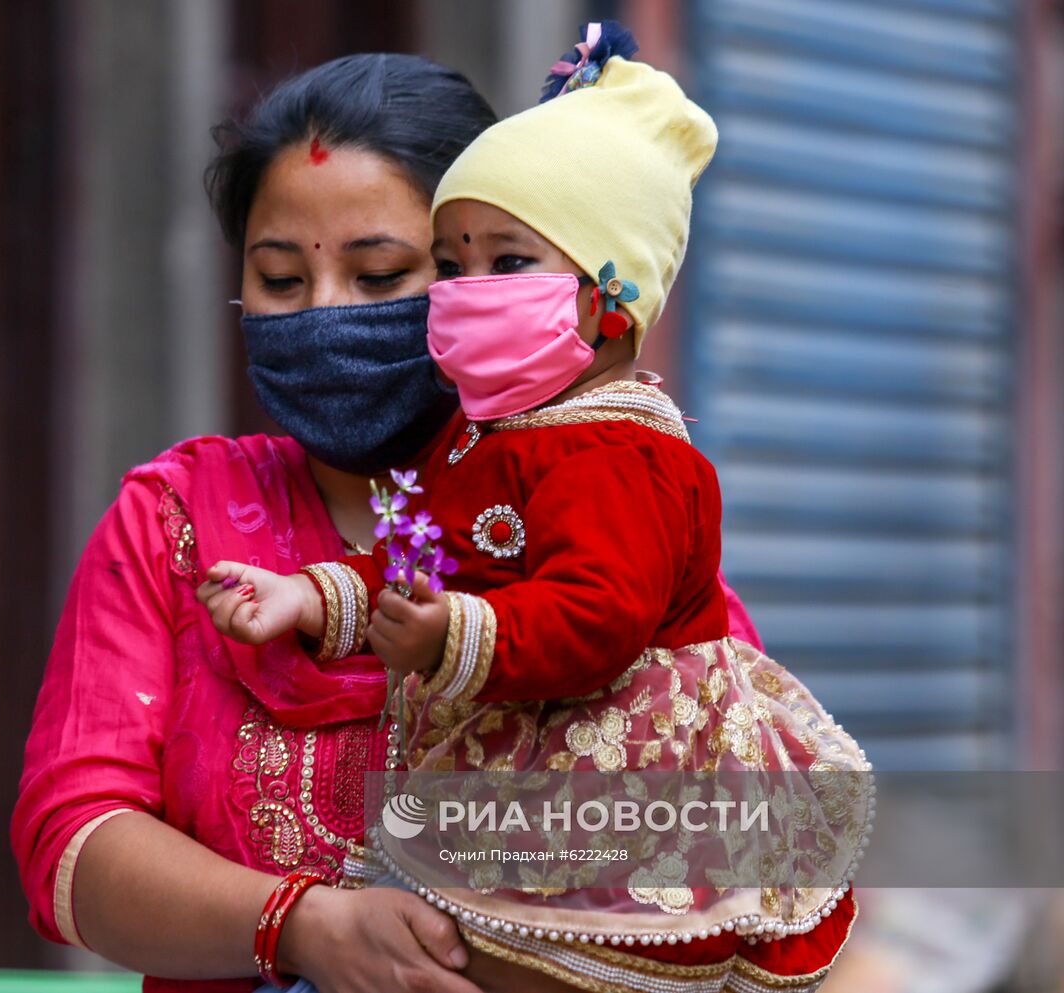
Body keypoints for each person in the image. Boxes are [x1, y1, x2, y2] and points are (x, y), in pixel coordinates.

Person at [12, 47, 765, 993]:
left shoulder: (599, 505)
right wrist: (300, 926)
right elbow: (71, 839)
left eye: (382, 276)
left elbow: (741, 829)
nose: (325, 315)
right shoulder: (176, 521)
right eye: (282, 281)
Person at [198, 23, 870, 993]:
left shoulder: (621, 455)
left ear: (607, 303)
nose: (466, 293)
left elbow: (597, 614)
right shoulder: (482, 438)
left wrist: (452, 633)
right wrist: (310, 600)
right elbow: (423, 557)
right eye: (452, 262)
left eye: (506, 265)